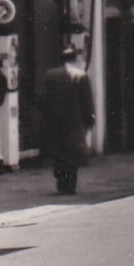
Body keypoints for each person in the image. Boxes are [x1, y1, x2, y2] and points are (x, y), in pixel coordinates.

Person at [41, 45, 95, 195]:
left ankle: (61, 180)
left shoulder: (51, 75)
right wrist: (89, 120)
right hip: (75, 124)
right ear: (75, 59)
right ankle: (69, 184)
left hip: (56, 124)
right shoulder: (81, 76)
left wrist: (49, 117)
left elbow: (44, 100)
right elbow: (87, 102)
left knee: (60, 153)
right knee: (72, 154)